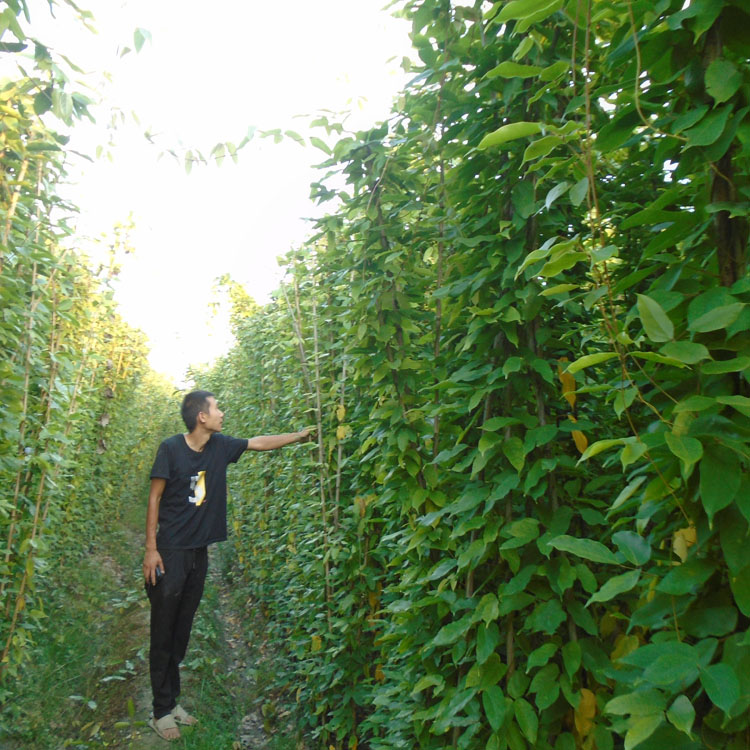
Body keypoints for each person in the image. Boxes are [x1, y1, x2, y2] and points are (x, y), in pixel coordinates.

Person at [142, 389, 311, 741]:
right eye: (217, 408)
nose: (222, 412)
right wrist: (151, 549)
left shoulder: (220, 447)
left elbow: (259, 443)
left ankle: (172, 703)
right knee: (163, 630)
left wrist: (297, 436)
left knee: (182, 631)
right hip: (170, 552)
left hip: (198, 553)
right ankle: (159, 712)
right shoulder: (170, 449)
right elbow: (155, 496)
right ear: (201, 417)